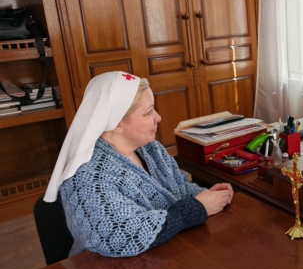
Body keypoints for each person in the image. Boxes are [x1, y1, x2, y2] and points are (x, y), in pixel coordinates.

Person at [44, 71, 234, 258]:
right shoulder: (87, 176)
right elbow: (120, 236)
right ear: (117, 123)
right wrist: (196, 207)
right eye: (149, 112)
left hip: (166, 252)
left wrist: (207, 196)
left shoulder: (151, 149)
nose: (158, 117)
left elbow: (180, 188)